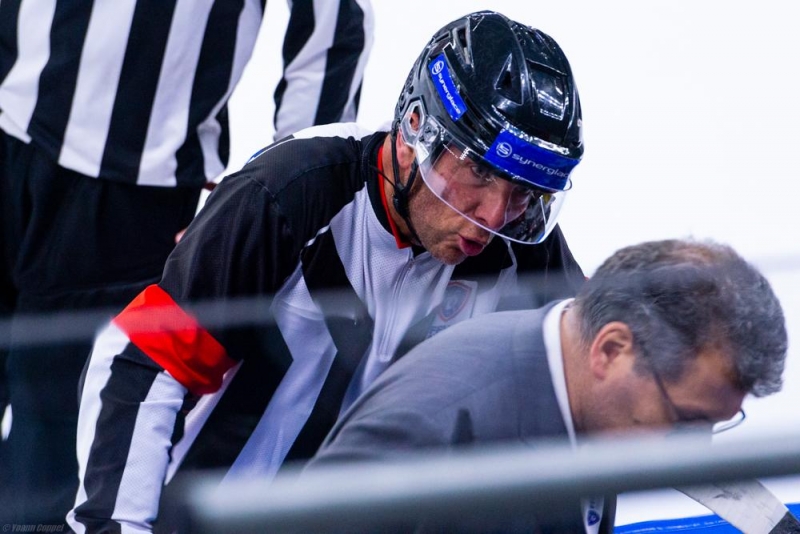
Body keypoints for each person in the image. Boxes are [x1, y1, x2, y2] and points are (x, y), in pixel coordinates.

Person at [69, 10, 587, 532]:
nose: (495, 217)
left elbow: (595, 370)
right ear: (414, 129)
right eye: (479, 171)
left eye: (524, 192)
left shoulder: (519, 245)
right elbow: (143, 362)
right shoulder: (288, 194)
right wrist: (118, 525)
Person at [0, 0, 374, 526]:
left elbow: (332, 21)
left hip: (135, 188)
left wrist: (284, 182)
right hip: (10, 108)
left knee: (57, 433)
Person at [305, 238, 789, 533]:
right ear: (612, 351)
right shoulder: (434, 434)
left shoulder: (589, 371)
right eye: (686, 421)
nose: (689, 449)